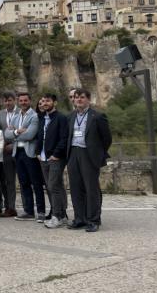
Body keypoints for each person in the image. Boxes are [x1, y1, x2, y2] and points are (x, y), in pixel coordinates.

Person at [67, 89, 112, 233]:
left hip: (89, 154)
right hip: (73, 153)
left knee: (91, 188)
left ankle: (93, 220)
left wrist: (97, 153)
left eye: (82, 97)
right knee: (75, 188)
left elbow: (107, 139)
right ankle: (79, 218)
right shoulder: (71, 116)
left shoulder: (97, 116)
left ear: (88, 99)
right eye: (76, 97)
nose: (78, 100)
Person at [35, 93, 69, 229]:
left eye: (48, 101)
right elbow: (40, 136)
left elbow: (64, 138)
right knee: (54, 186)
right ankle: (61, 214)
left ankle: (56, 216)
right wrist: (37, 152)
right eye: (43, 101)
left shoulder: (61, 118)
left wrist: (56, 154)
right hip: (43, 157)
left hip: (55, 158)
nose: (44, 103)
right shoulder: (43, 118)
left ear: (54, 103)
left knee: (53, 186)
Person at [9, 93, 45, 222]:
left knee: (36, 183)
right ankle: (29, 211)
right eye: (21, 100)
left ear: (30, 101)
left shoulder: (34, 116)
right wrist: (18, 131)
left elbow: (30, 135)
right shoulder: (15, 116)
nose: (23, 102)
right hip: (17, 152)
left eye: (25, 100)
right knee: (24, 183)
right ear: (18, 102)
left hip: (29, 153)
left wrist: (14, 132)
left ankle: (41, 211)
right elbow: (6, 134)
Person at [0, 92, 18, 217]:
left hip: (19, 150)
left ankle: (28, 208)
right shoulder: (0, 114)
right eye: (5, 101)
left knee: (25, 181)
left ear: (14, 100)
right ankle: (10, 207)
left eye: (10, 100)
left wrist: (13, 145)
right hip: (5, 152)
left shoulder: (20, 112)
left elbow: (23, 131)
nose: (8, 103)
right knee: (7, 180)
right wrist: (3, 145)